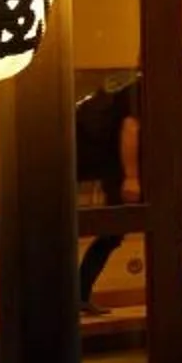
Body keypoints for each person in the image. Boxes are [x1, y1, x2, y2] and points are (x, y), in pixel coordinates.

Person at [74, 73, 141, 316]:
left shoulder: (132, 90)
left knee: (113, 235)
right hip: (123, 176)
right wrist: (132, 177)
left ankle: (79, 294)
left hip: (119, 174)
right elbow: (130, 129)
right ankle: (78, 294)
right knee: (112, 235)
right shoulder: (142, 90)